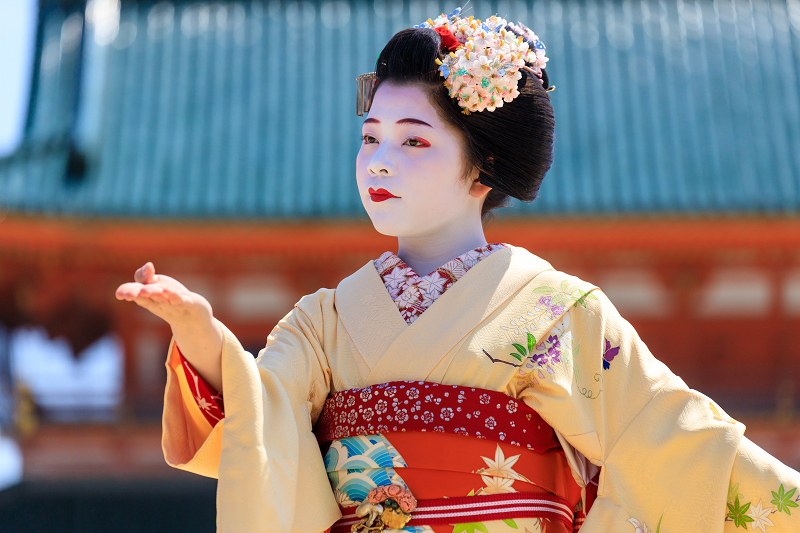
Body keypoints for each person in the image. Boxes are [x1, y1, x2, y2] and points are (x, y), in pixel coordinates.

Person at [115, 9, 800, 533]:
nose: (379, 161)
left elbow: (672, 435)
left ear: (484, 163)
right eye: (370, 138)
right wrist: (202, 337)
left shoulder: (557, 312)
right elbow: (260, 416)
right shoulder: (321, 320)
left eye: (414, 140)